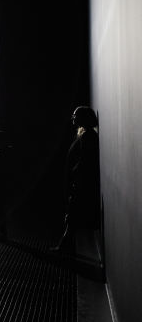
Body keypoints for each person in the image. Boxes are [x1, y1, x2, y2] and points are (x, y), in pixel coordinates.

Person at [51, 105, 100, 253]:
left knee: (72, 216)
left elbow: (85, 159)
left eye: (75, 115)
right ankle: (66, 246)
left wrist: (74, 175)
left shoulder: (87, 136)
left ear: (84, 117)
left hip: (80, 183)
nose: (73, 117)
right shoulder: (85, 134)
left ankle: (64, 247)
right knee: (72, 216)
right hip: (79, 182)